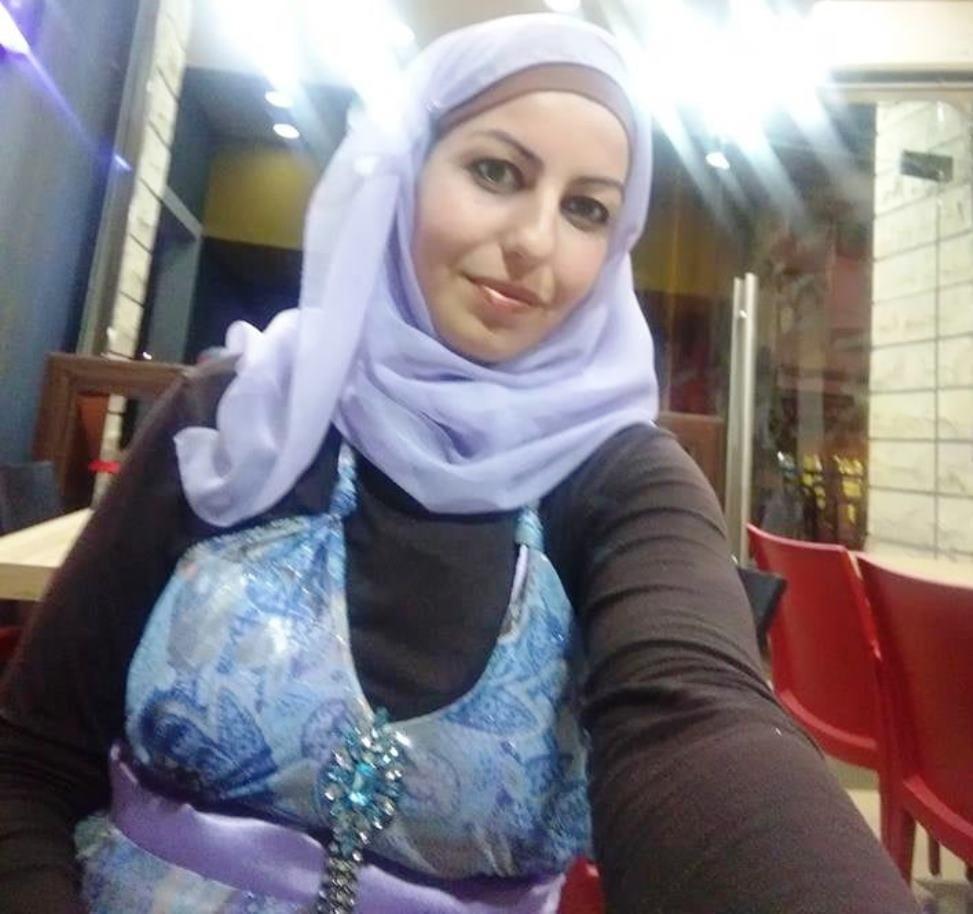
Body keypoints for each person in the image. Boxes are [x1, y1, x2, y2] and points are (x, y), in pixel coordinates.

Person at [0, 14, 918, 914]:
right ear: (404, 170)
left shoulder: (620, 481)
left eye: (587, 209)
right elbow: (31, 762)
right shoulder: (239, 414)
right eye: (495, 171)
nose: (535, 241)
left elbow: (700, 724)